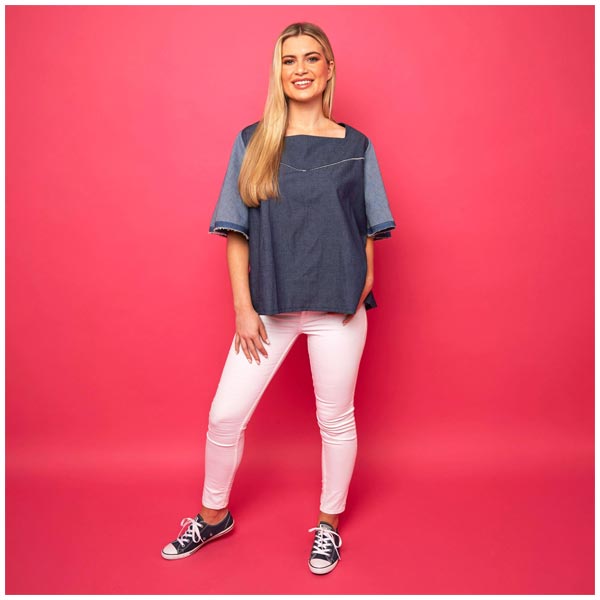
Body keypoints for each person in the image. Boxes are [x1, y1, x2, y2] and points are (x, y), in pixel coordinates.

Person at [161, 21, 396, 575]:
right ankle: (213, 516)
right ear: (278, 72)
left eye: (311, 58)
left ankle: (328, 525)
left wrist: (364, 277)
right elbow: (235, 231)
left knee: (335, 420)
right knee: (225, 417)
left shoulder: (357, 146)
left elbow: (367, 224)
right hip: (270, 308)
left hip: (337, 310)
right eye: (289, 60)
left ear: (329, 69)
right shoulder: (253, 141)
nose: (300, 69)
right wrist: (243, 309)